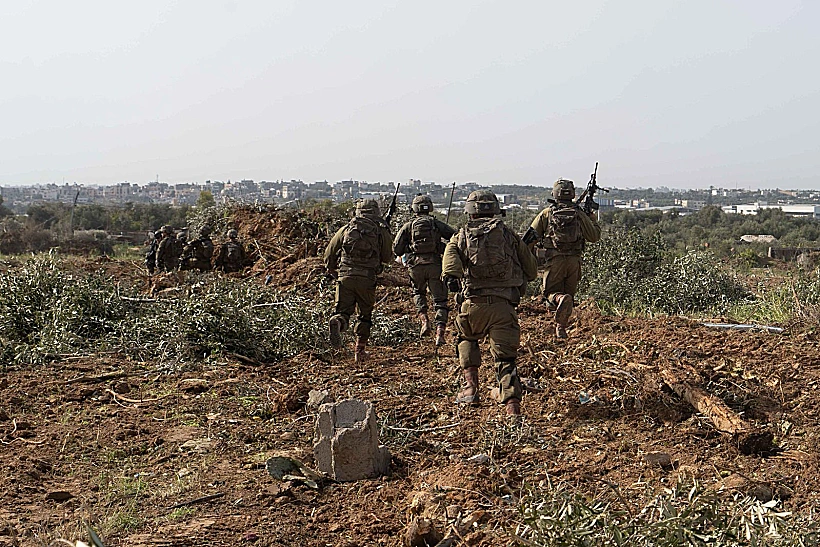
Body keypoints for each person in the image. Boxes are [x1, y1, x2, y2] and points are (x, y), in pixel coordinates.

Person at [442, 190, 537, 417]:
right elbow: (532, 271)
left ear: (469, 211)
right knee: (506, 358)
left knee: (466, 338)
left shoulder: (461, 236)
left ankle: (470, 389)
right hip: (504, 307)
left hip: (473, 304)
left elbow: (450, 267)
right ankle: (513, 409)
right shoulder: (509, 235)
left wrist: (454, 279)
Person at [523, 179, 602, 339]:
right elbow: (594, 237)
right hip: (574, 262)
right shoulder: (579, 214)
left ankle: (559, 302)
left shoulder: (547, 213)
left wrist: (528, 262)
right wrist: (593, 220)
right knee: (569, 298)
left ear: (555, 194)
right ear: (572, 194)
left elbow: (529, 239)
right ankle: (561, 328)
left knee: (551, 295)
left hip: (554, 260)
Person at [324, 199, 393, 363]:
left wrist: (332, 269)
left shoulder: (347, 228)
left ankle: (338, 321)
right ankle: (359, 351)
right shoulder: (380, 230)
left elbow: (329, 253)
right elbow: (387, 257)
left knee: (343, 310)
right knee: (364, 315)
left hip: (345, 276)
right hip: (367, 279)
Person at [392, 194, 456, 346]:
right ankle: (440, 333)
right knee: (440, 301)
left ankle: (424, 321)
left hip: (416, 267)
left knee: (418, 293)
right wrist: (442, 247)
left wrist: (410, 248)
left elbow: (397, 249)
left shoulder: (408, 226)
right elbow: (455, 236)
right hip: (435, 266)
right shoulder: (436, 223)